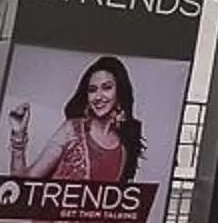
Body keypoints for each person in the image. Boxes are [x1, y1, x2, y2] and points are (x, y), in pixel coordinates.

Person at [8, 56, 145, 183]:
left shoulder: (125, 146)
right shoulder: (72, 130)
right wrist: (18, 135)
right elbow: (22, 185)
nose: (98, 96)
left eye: (107, 88)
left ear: (120, 92)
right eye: (92, 90)